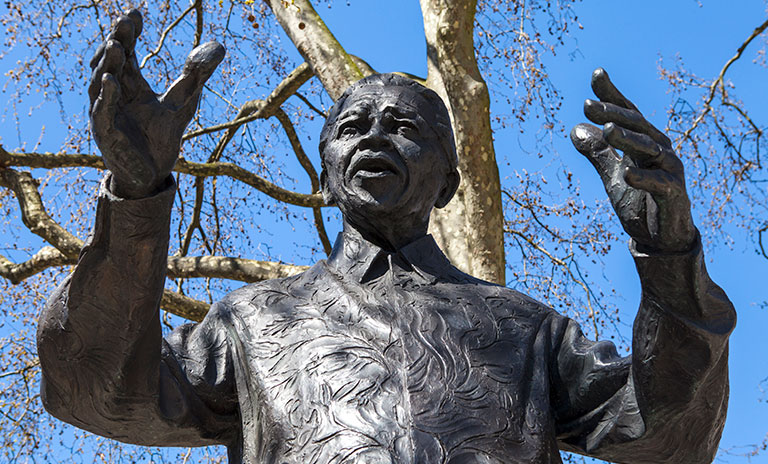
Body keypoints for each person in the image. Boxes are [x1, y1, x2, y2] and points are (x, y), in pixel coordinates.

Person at [37, 10, 735, 464]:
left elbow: (671, 435)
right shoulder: (251, 324)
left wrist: (670, 257)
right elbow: (96, 390)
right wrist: (135, 196)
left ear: (450, 184)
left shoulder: (526, 330)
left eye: (405, 127)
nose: (374, 134)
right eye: (352, 126)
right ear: (325, 180)